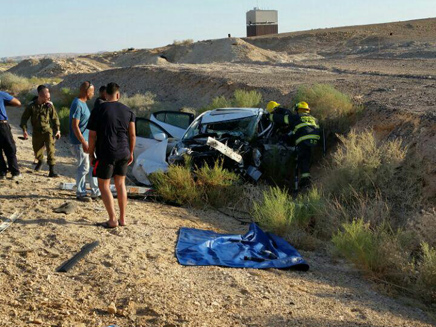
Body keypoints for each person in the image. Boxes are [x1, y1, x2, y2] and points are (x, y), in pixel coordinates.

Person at [87, 83, 136, 228]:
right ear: (118, 95)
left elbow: (92, 135)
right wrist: (131, 152)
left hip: (106, 152)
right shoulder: (128, 111)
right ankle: (122, 218)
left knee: (104, 185)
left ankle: (112, 219)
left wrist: (91, 153)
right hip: (124, 151)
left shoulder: (99, 109)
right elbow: (132, 134)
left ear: (105, 95)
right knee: (121, 183)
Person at [268, 101, 320, 190]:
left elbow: (282, 119)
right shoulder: (315, 119)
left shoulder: (296, 117)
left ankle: (305, 180)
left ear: (298, 110)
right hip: (315, 140)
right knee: (308, 156)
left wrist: (270, 116)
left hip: (303, 140)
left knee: (302, 158)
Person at [69, 81, 100, 202]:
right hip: (79, 142)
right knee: (84, 167)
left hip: (86, 140)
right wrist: (83, 141)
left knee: (92, 166)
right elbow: (75, 125)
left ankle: (95, 192)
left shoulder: (83, 103)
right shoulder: (77, 104)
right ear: (86, 91)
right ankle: (80, 193)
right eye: (92, 91)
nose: (93, 94)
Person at [20, 85, 61, 177]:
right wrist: (24, 130)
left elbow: (55, 118)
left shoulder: (49, 106)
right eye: (46, 97)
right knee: (37, 151)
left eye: (49, 97)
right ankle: (40, 161)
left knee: (51, 149)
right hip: (36, 132)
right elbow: (24, 118)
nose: (48, 99)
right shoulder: (31, 106)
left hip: (47, 131)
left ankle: (51, 170)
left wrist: (57, 130)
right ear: (40, 95)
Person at [0, 91, 22, 180]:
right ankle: (15, 172)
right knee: (10, 148)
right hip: (1, 125)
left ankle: (2, 173)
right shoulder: (1, 94)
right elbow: (17, 103)